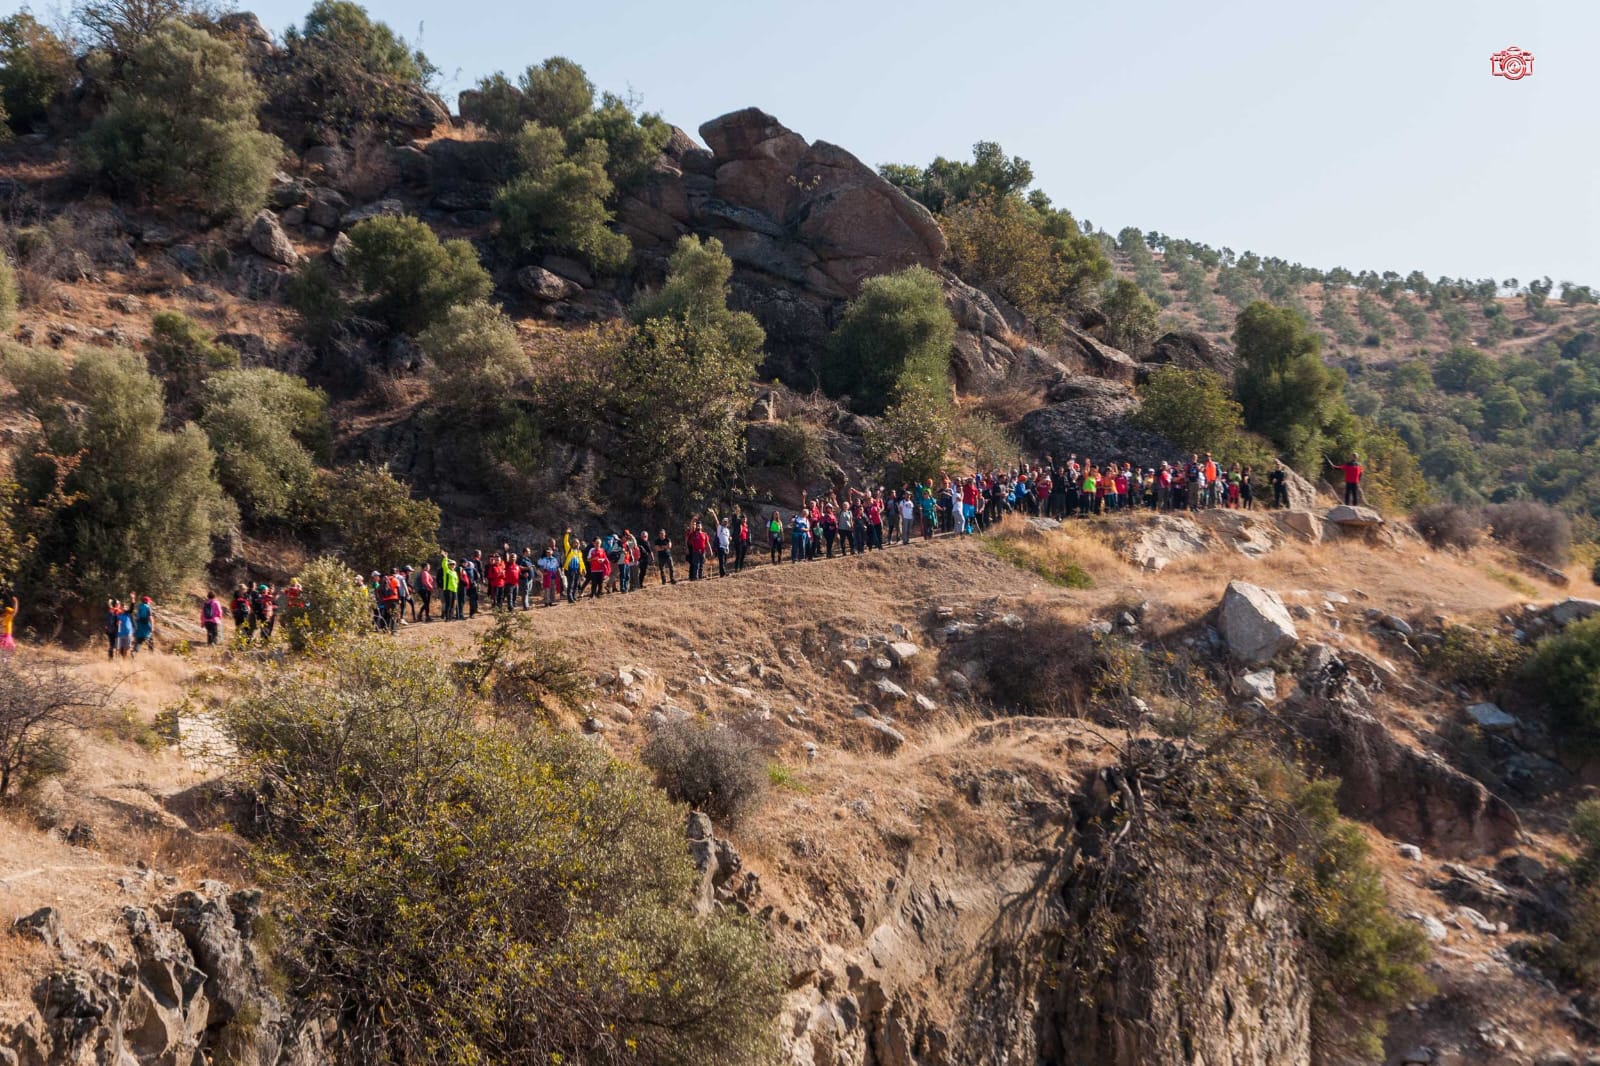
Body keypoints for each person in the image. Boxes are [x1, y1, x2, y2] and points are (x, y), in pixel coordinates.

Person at [0, 593, 17, 660]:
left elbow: (14, 611)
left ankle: (5, 659)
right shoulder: (8, 617)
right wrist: (16, 602)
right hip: (6, 635)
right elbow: (15, 611)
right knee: (6, 649)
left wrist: (15, 602)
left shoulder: (4, 618)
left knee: (5, 649)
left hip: (4, 635)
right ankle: (5, 659)